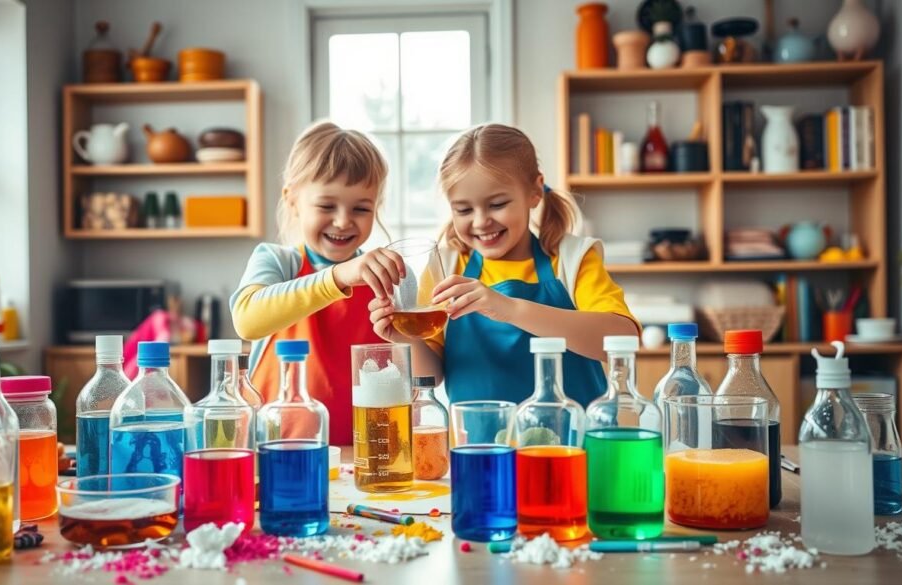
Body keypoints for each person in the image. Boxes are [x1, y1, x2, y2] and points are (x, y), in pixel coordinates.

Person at [370, 123, 639, 406]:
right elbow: (432, 376)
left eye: (497, 204)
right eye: (463, 209)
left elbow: (623, 341)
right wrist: (403, 338)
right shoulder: (447, 266)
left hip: (570, 445)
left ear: (534, 192)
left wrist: (508, 308)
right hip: (479, 447)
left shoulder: (572, 259)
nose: (480, 221)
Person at [231, 121, 404, 444]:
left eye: (361, 208)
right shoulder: (277, 261)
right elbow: (246, 320)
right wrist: (339, 276)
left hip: (367, 458)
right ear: (293, 200)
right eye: (327, 206)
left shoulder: (387, 276)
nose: (342, 220)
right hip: (278, 453)